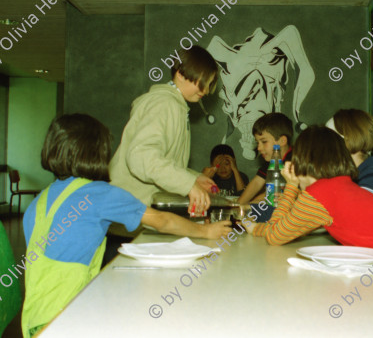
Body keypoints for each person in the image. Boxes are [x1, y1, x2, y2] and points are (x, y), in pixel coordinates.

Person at [22, 114, 231, 337]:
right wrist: (205, 231)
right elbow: (162, 221)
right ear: (97, 154)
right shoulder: (100, 193)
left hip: (34, 321)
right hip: (69, 319)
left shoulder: (40, 200)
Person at [246, 126, 373, 280]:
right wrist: (256, 228)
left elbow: (275, 236)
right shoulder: (338, 186)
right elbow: (282, 228)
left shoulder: (318, 195)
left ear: (300, 161)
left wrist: (290, 186)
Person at [109, 45, 219, 226]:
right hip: (128, 216)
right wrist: (188, 185)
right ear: (181, 74)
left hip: (135, 215)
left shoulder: (174, 105)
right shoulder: (165, 104)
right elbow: (141, 157)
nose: (206, 91)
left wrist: (193, 178)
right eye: (203, 82)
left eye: (209, 84)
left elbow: (163, 161)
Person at [237, 113, 293, 206]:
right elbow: (256, 183)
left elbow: (274, 193)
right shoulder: (271, 161)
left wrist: (250, 204)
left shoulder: (296, 161)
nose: (259, 148)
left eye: (264, 142)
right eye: (257, 142)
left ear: (282, 141)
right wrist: (237, 206)